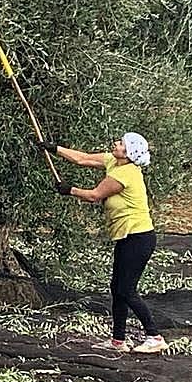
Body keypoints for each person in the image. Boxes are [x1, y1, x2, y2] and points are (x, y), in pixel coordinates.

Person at [40, 132, 166, 354]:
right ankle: (118, 340)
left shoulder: (125, 173)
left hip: (139, 237)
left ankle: (154, 336)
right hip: (127, 236)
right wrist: (54, 148)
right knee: (117, 289)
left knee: (126, 290)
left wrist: (70, 190)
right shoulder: (113, 161)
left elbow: (94, 196)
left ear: (128, 153)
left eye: (121, 143)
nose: (116, 143)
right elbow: (83, 158)